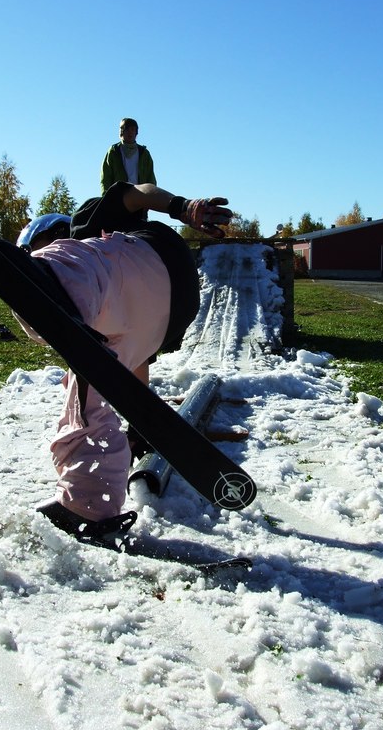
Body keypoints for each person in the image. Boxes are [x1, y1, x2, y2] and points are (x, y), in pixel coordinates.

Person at [14, 181, 232, 541]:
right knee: (88, 386)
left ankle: (47, 273)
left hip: (153, 257)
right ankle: (86, 503)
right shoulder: (97, 316)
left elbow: (136, 191)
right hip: (168, 312)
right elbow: (132, 377)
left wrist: (182, 206)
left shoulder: (84, 226)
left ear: (51, 235)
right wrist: (140, 425)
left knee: (76, 268)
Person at [100, 118, 157, 193]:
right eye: (127, 129)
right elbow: (106, 177)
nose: (130, 132)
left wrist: (151, 194)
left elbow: (150, 177)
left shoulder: (144, 153)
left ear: (136, 132)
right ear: (122, 131)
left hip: (140, 194)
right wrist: (106, 196)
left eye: (133, 129)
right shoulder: (114, 151)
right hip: (119, 194)